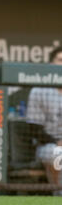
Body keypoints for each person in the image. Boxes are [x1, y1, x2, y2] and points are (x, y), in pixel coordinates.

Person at [25, 47, 62, 195]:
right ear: (51, 64)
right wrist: (58, 142)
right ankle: (58, 196)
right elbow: (34, 129)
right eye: (60, 60)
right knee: (57, 154)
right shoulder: (39, 90)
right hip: (48, 144)